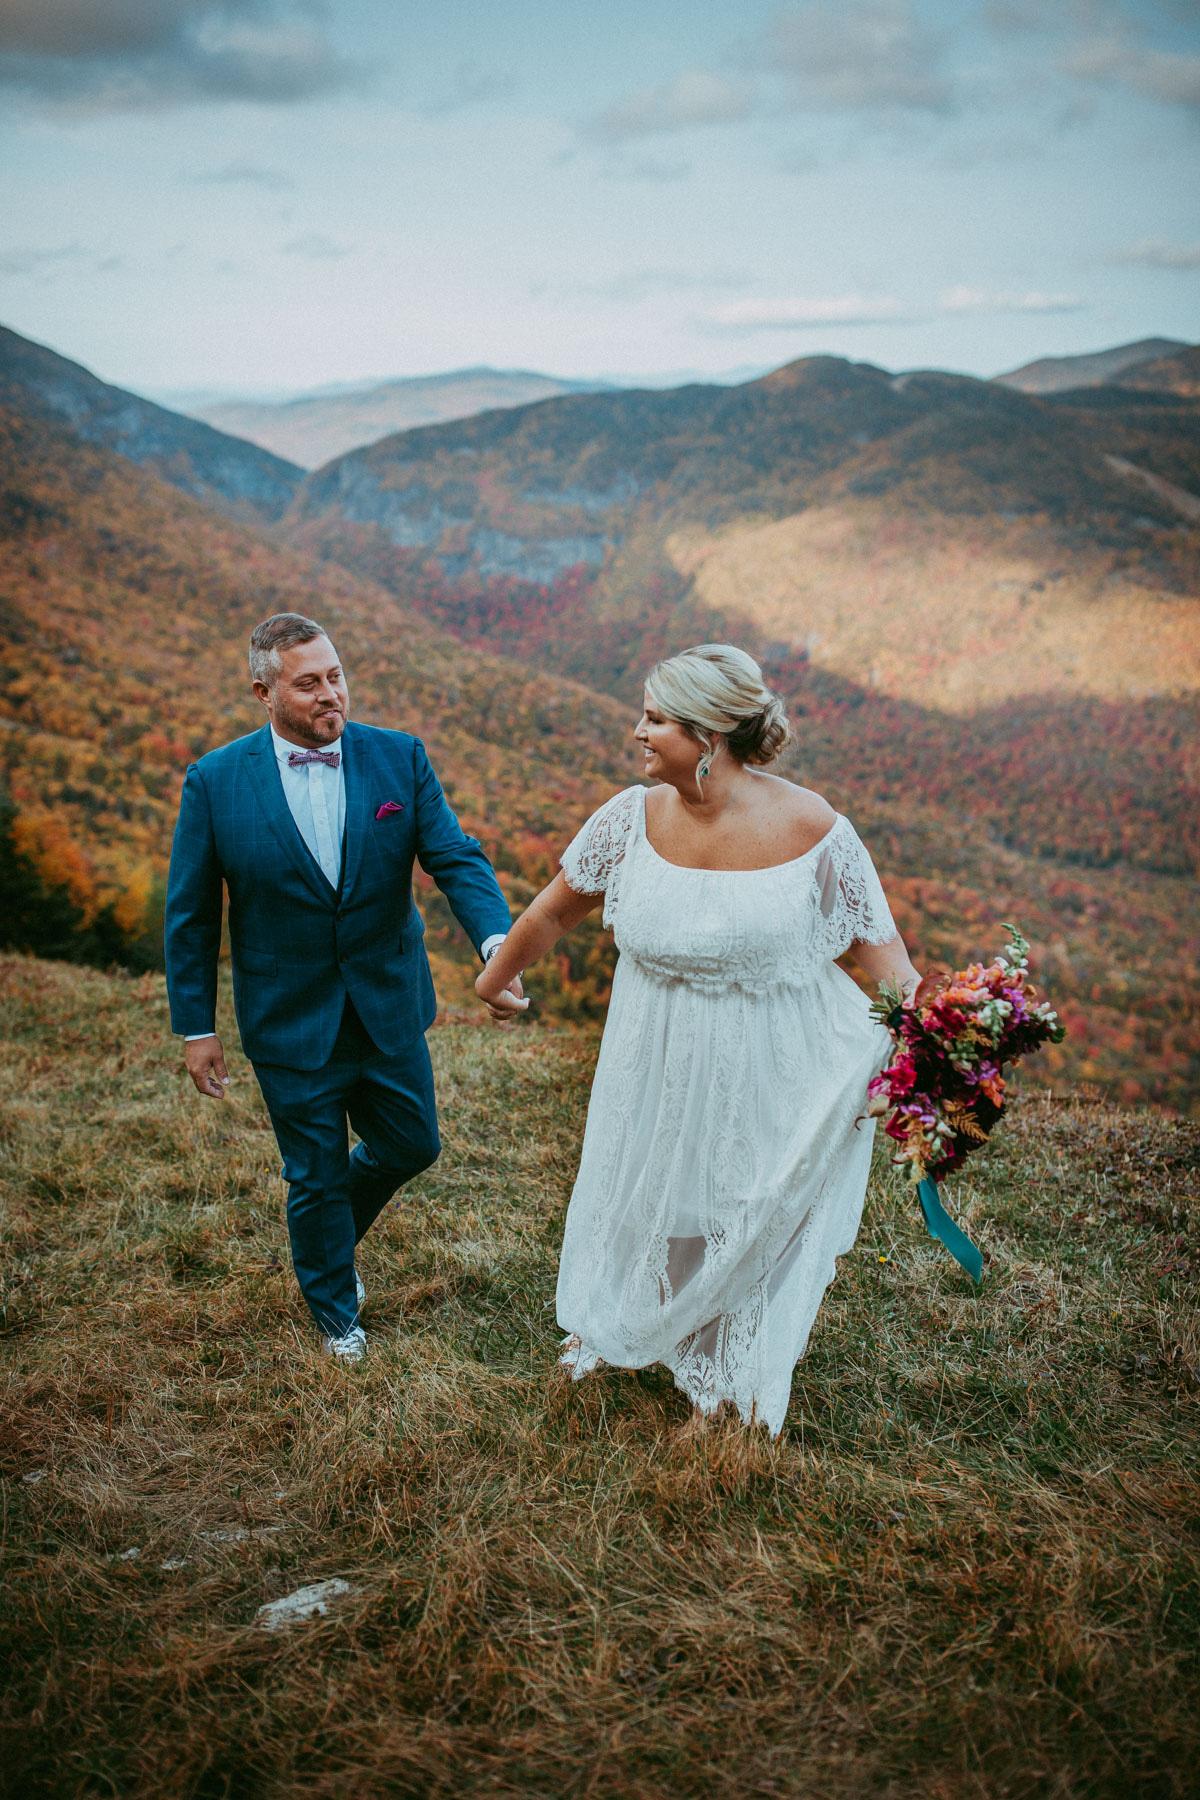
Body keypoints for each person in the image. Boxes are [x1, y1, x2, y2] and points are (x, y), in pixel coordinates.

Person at [476, 643, 921, 1436]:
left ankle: (721, 1369)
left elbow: (881, 952)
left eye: (654, 718)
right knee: (656, 1192)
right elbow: (552, 910)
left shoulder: (816, 827)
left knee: (740, 1200)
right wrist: (495, 975)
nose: (637, 731)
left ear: (710, 734)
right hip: (652, 1054)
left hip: (772, 1059)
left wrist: (942, 1044)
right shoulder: (630, 817)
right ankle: (639, 1327)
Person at [164, 612, 520, 1362]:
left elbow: (455, 856)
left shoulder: (399, 758)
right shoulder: (215, 782)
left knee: (412, 1144)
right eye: (308, 683)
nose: (332, 694)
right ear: (262, 691)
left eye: (336, 676)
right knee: (315, 1173)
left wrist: (498, 942)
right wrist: (196, 1027)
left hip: (386, 1004)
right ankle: (334, 1312)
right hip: (288, 1019)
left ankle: (321, 1240)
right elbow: (191, 917)